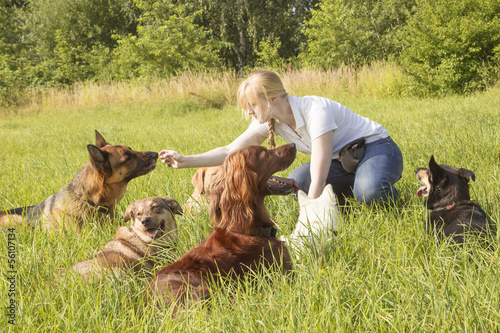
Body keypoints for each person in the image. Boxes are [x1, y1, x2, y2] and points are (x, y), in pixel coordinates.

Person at [159, 70, 403, 205]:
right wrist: (184, 160)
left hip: (375, 148)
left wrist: (313, 207)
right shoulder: (269, 121)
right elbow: (229, 150)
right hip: (343, 160)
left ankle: (383, 193)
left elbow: (321, 161)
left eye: (252, 104)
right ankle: (356, 191)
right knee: (297, 181)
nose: (249, 112)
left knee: (369, 192)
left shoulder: (316, 110)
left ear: (272, 99)